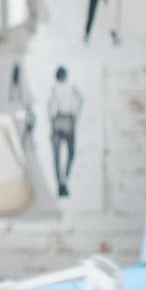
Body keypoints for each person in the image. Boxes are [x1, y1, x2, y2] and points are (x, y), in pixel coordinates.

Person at [49, 66, 82, 198]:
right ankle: (64, 180)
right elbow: (80, 100)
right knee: (70, 153)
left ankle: (60, 183)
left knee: (57, 156)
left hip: (58, 121)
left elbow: (51, 109)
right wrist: (75, 115)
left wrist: (52, 125)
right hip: (68, 120)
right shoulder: (71, 88)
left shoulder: (54, 89)